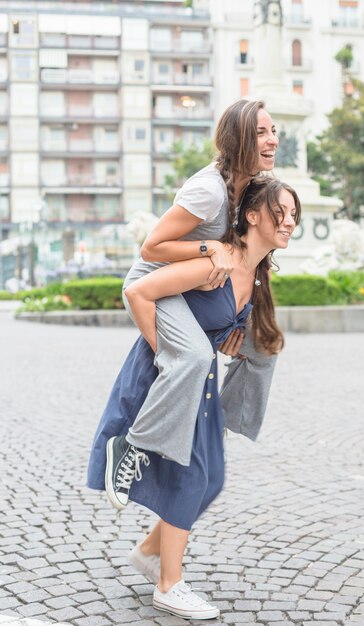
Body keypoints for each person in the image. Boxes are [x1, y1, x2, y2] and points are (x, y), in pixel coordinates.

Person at [88, 177, 301, 620]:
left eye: (296, 214)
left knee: (212, 477)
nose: (291, 221)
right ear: (253, 216)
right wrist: (168, 356)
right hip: (170, 378)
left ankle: (151, 553)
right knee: (190, 477)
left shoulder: (255, 274)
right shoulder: (216, 265)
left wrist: (226, 337)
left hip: (200, 379)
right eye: (283, 211)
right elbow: (137, 291)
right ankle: (169, 584)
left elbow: (220, 325)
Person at [102, 99, 280, 508]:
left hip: (199, 282)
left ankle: (215, 425)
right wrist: (209, 245)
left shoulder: (250, 184)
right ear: (238, 141)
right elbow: (152, 246)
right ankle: (130, 446)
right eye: (261, 133)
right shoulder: (208, 190)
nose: (271, 141)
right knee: (196, 357)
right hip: (156, 282)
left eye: (274, 133)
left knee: (264, 347)